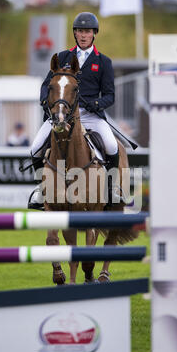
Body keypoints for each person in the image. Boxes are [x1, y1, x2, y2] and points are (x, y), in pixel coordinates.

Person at [28, 12, 118, 210]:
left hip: (90, 116)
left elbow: (110, 95)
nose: (83, 35)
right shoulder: (62, 57)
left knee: (112, 146)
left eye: (87, 31)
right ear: (74, 34)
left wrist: (96, 104)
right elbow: (46, 85)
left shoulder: (103, 62)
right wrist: (46, 102)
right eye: (79, 31)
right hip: (62, 115)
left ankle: (112, 189)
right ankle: (41, 189)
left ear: (94, 34)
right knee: (35, 147)